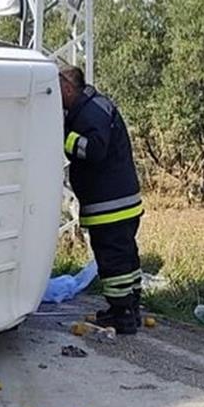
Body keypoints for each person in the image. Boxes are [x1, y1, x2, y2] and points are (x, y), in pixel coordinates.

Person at [58, 64, 143, 334]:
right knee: (127, 259)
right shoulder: (95, 106)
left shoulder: (90, 112)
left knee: (114, 263)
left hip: (109, 205)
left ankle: (122, 317)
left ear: (68, 87)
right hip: (122, 201)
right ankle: (130, 309)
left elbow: (94, 150)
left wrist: (62, 138)